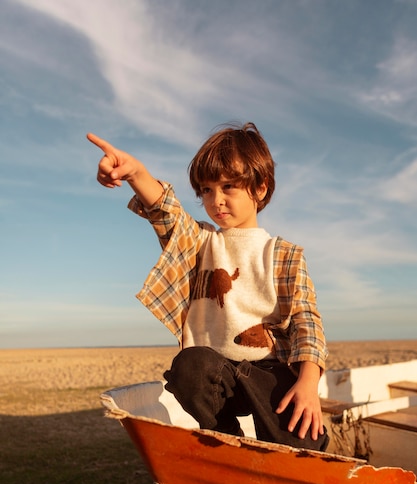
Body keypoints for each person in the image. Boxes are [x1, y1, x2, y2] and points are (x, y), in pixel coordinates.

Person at [87, 123, 329, 451]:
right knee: (189, 366)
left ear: (260, 188)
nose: (216, 200)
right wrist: (136, 174)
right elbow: (166, 211)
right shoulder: (200, 243)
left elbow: (306, 322)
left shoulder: (283, 255)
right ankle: (227, 444)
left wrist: (309, 383)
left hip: (268, 372)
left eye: (229, 186)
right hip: (216, 377)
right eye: (206, 190)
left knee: (301, 437)